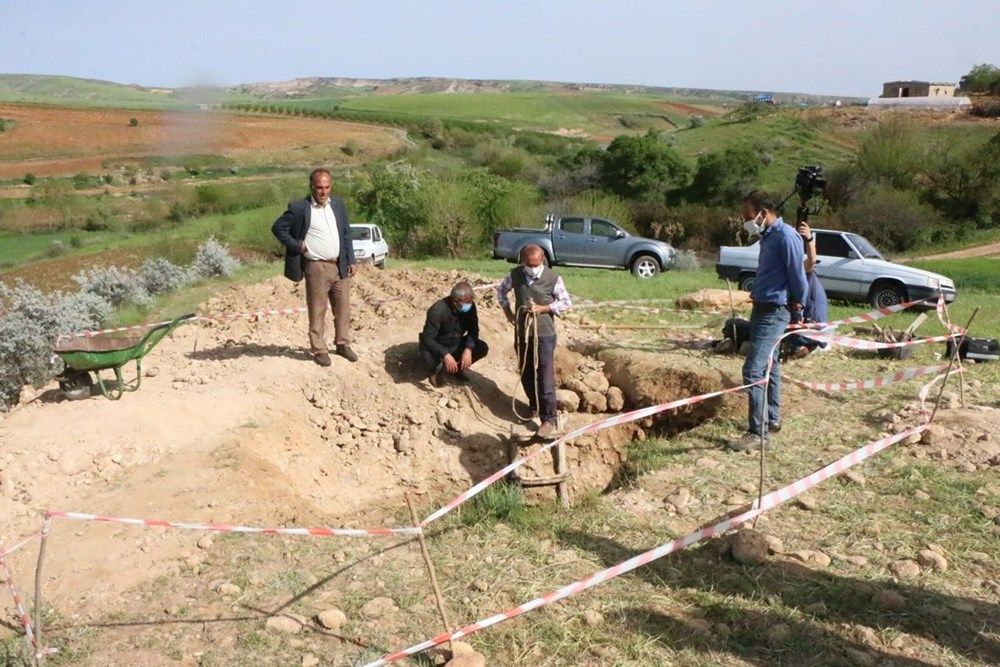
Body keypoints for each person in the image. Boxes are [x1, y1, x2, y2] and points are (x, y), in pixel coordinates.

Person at [728, 191, 809, 452]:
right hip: (762, 307)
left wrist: (799, 305)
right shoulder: (768, 236)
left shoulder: (786, 236)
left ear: (763, 213)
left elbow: (797, 274)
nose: (746, 221)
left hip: (775, 310)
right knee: (770, 366)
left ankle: (757, 432)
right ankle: (772, 419)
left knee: (752, 370)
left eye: (748, 216)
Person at [272, 168, 358, 366]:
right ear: (312, 186)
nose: (323, 191)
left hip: (340, 264)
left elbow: (346, 233)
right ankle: (319, 349)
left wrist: (351, 259)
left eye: (327, 187)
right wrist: (297, 245)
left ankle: (342, 343)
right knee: (317, 309)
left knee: (343, 308)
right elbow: (278, 228)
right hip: (316, 267)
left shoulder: (338, 204)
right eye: (319, 187)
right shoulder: (300, 208)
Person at [496, 245, 572, 440]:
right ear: (523, 262)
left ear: (543, 259)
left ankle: (549, 418)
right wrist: (508, 313)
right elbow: (501, 292)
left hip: (544, 334)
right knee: (525, 371)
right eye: (528, 265)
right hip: (523, 334)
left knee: (544, 375)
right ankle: (534, 406)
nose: (532, 269)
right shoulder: (515, 274)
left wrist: (544, 308)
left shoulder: (553, 278)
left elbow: (565, 303)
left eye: (536, 265)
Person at [419, 281, 490, 387]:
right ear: (455, 301)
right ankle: (434, 372)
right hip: (438, 344)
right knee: (428, 356)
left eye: (471, 302)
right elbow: (428, 338)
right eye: (466, 303)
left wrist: (468, 349)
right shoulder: (437, 310)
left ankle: (456, 369)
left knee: (482, 347)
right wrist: (445, 355)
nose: (469, 305)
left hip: (456, 342)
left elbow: (473, 329)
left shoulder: (469, 307)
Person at [785, 220, 830, 360]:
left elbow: (811, 261)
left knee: (793, 334)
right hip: (801, 314)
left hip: (812, 315)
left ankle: (807, 345)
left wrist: (809, 240)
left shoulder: (800, 268)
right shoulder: (785, 269)